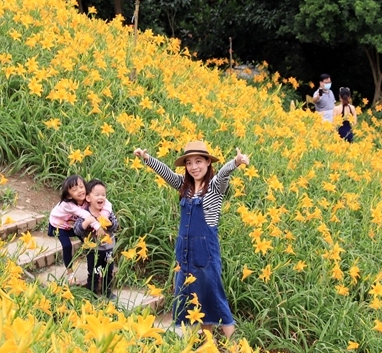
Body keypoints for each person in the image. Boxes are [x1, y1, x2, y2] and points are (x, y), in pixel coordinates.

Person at [133, 141, 250, 339]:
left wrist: (235, 162)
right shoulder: (185, 186)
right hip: (185, 252)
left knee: (214, 296)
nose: (194, 167)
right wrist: (147, 159)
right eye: (189, 163)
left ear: (207, 163)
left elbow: (223, 175)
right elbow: (167, 173)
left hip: (206, 253)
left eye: (198, 161)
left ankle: (234, 347)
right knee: (197, 299)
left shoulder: (214, 189)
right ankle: (208, 343)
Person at [48, 174, 114, 269]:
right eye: (75, 190)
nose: (80, 190)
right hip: (59, 224)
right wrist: (98, 226)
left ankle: (96, 266)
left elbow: (107, 203)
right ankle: (70, 271)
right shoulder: (67, 204)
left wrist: (104, 215)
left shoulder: (87, 196)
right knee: (67, 246)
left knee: (89, 241)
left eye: (81, 186)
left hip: (72, 223)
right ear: (69, 195)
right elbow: (86, 215)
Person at [73, 179, 118, 297]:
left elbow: (115, 226)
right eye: (97, 194)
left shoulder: (107, 212)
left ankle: (106, 292)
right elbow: (77, 230)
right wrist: (86, 223)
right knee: (94, 272)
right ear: (88, 198)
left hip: (108, 248)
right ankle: (91, 293)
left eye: (103, 195)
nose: (101, 197)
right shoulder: (85, 214)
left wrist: (110, 223)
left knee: (108, 271)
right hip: (93, 249)